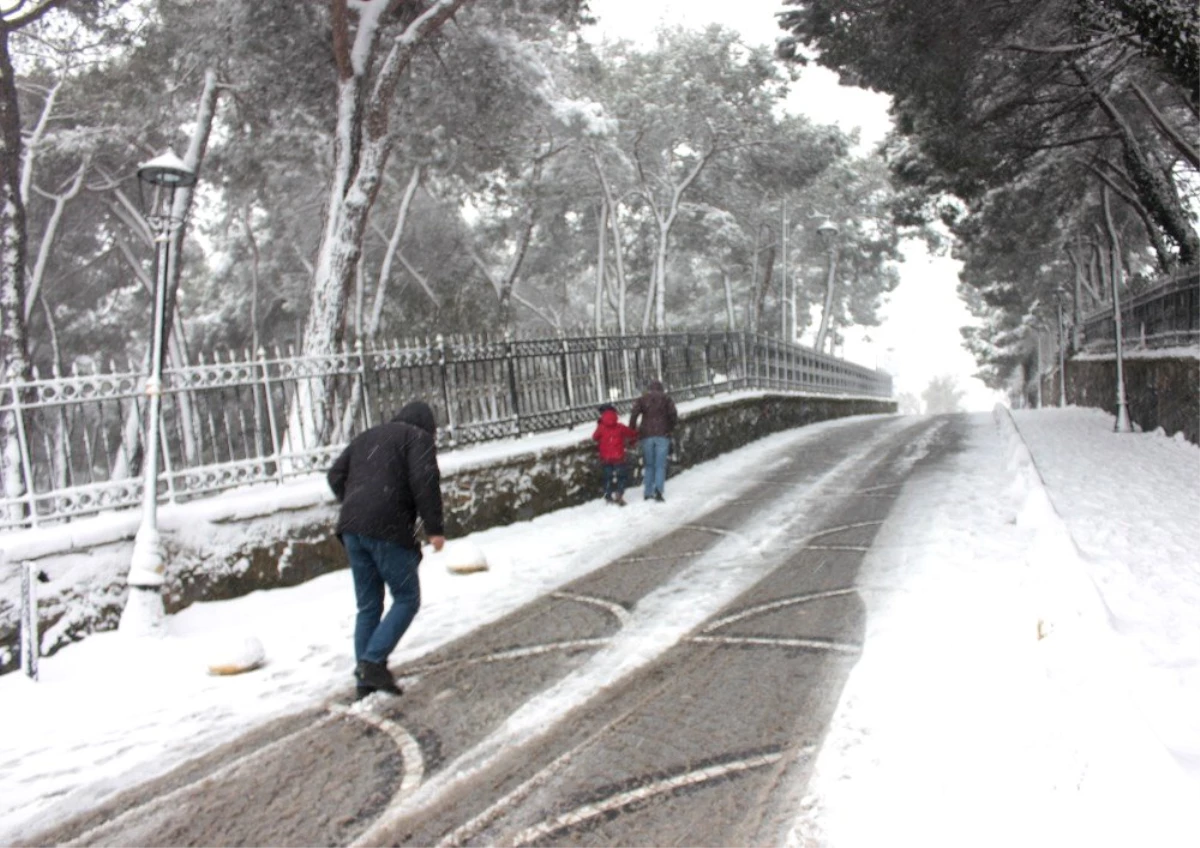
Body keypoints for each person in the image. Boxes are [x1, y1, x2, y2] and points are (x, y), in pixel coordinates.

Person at [327, 400, 445, 700]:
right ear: (427, 428)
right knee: (407, 598)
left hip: (352, 528)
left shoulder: (368, 436)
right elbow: (425, 481)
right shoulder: (417, 438)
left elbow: (334, 475)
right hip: (387, 528)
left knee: (368, 606)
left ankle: (365, 682)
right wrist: (434, 528)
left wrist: (356, 502)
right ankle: (371, 662)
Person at [629, 378, 678, 502]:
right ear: (661, 388)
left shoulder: (643, 399)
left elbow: (634, 414)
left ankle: (647, 492)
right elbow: (673, 415)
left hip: (646, 435)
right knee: (660, 465)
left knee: (649, 465)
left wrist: (632, 430)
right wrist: (670, 427)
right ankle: (658, 491)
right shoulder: (666, 399)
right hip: (662, 434)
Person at [592, 403, 638, 506]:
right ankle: (619, 494)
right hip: (618, 457)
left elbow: (594, 437)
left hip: (606, 457)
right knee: (622, 476)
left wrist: (600, 426)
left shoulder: (601, 427)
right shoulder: (620, 427)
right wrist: (637, 434)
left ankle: (608, 496)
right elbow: (631, 433)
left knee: (607, 477)